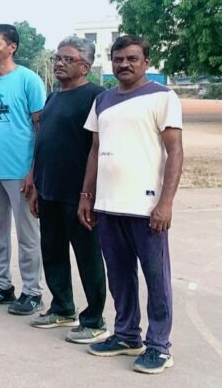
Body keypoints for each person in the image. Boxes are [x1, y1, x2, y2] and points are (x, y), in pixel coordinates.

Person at [81, 35, 183, 375]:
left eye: (132, 58)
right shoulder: (103, 100)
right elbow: (95, 150)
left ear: (146, 62)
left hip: (146, 207)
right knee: (120, 276)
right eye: (118, 58)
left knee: (156, 278)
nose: (124, 64)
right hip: (108, 205)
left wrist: (165, 203)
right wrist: (87, 195)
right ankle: (126, 335)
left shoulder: (162, 97)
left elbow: (175, 151)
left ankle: (159, 346)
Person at [28, 37, 108, 343]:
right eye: (57, 58)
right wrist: (36, 185)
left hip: (78, 195)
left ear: (85, 66)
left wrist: (89, 193)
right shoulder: (53, 97)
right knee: (53, 252)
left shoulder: (96, 97)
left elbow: (99, 148)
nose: (59, 63)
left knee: (88, 257)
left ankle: (94, 320)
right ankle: (62, 307)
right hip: (49, 190)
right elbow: (43, 143)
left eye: (68, 59)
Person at [0, 24, 47, 315]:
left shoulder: (28, 80)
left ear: (12, 47)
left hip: (20, 172)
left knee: (27, 234)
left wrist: (33, 172)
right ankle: (2, 285)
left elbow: (41, 128)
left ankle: (32, 291)